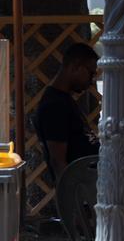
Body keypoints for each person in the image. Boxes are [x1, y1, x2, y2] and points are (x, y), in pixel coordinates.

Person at [35, 43, 100, 179]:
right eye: (91, 73)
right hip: (80, 191)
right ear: (76, 66)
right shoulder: (54, 106)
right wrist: (75, 194)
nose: (92, 80)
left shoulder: (64, 100)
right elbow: (58, 162)